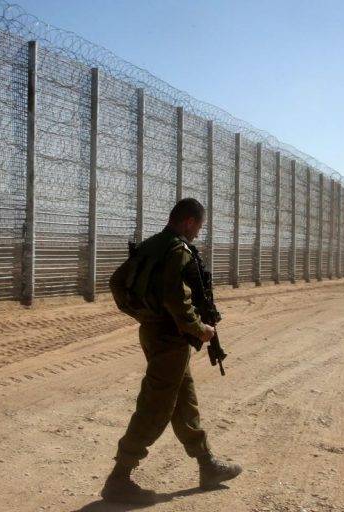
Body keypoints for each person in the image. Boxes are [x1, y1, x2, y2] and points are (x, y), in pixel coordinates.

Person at [102, 198, 242, 504]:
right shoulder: (177, 248)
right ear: (190, 221)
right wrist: (197, 328)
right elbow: (176, 297)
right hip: (170, 338)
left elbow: (116, 282)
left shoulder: (154, 244)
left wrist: (143, 315)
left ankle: (207, 465)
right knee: (155, 405)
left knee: (183, 401)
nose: (197, 234)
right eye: (198, 227)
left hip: (156, 332)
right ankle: (119, 478)